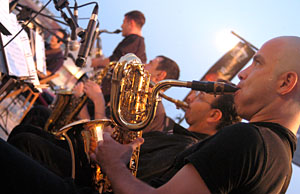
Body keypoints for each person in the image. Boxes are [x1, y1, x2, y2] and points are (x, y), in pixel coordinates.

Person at [90, 36, 300, 194]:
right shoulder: (281, 167)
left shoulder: (249, 139)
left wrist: (114, 165)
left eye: (257, 63)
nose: (241, 73)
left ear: (285, 83)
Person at [137, 88, 241, 184]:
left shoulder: (185, 148)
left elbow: (135, 178)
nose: (189, 98)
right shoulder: (179, 138)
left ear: (213, 115)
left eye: (200, 96)